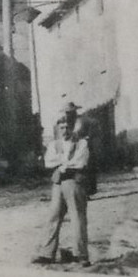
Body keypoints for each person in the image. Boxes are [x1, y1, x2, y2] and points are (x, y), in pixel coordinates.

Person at [36, 104, 92, 267]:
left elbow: (80, 162)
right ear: (57, 129)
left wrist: (63, 165)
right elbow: (48, 162)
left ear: (72, 127)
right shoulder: (54, 145)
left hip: (74, 181)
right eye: (61, 127)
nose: (64, 130)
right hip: (58, 183)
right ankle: (47, 253)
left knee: (77, 218)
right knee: (53, 216)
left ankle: (81, 255)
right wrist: (64, 163)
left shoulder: (81, 143)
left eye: (67, 127)